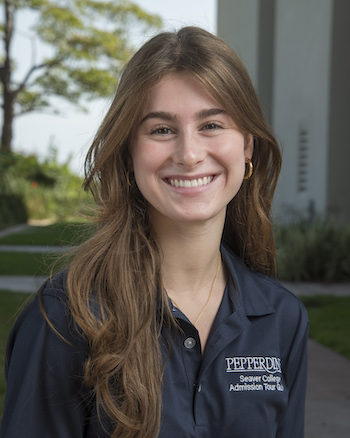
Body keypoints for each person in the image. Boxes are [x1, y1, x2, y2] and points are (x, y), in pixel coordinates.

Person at [0, 26, 309, 438]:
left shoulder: (281, 319)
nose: (189, 154)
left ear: (247, 145)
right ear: (130, 152)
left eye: (212, 125)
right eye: (162, 129)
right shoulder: (66, 319)